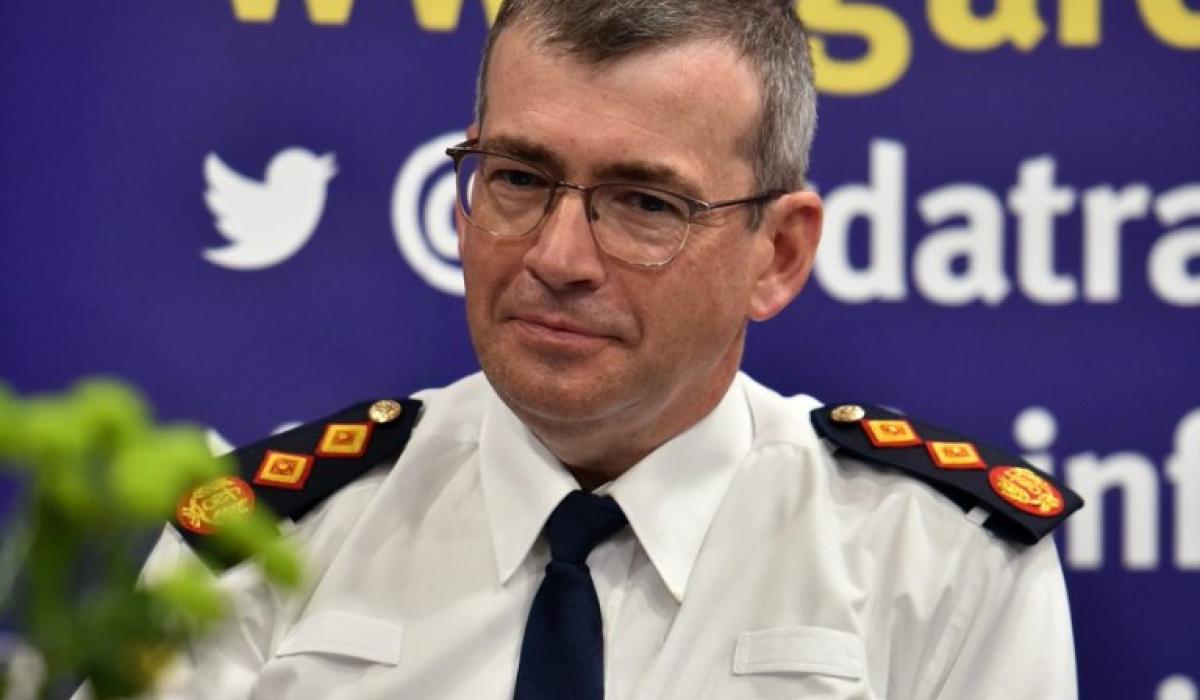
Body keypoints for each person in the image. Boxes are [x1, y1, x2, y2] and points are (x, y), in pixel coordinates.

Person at [110, 0, 1081, 697]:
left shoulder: (939, 566)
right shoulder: (270, 539)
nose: (558, 257)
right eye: (519, 178)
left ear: (778, 254)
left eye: (645, 203)